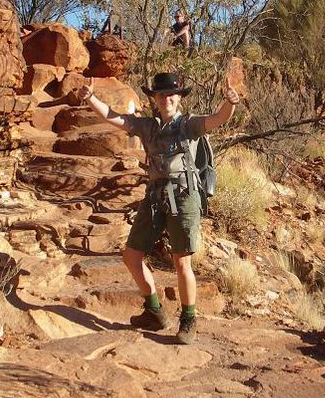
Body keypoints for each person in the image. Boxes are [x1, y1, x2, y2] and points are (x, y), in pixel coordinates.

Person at [78, 71, 240, 344]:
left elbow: (217, 120)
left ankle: (189, 319)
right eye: (161, 94)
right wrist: (91, 98)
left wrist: (230, 102)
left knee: (181, 261)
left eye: (171, 94)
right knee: (131, 256)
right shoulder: (148, 127)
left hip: (184, 195)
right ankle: (154, 311)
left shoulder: (189, 125)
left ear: (179, 98)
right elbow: (114, 117)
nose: (167, 99)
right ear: (154, 98)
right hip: (155, 196)